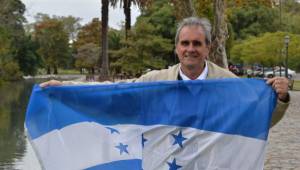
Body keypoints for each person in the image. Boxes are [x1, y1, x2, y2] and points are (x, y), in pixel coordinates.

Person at [40, 17, 290, 127]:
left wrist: (280, 100)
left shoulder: (228, 84)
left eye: (196, 43)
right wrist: (66, 88)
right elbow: (113, 92)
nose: (190, 49)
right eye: (185, 43)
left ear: (208, 48)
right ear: (176, 47)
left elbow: (256, 120)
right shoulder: (155, 81)